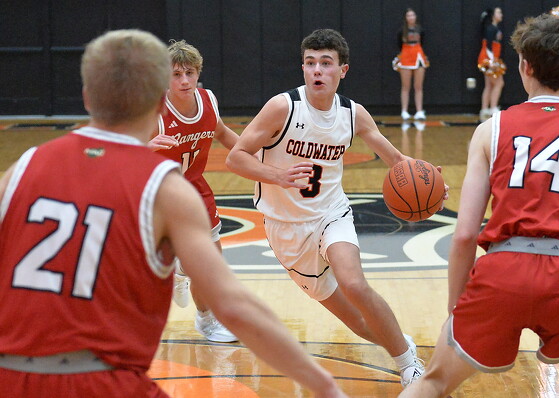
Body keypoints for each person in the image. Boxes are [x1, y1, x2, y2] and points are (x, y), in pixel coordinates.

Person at [0, 29, 349, 398]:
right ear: (158, 99)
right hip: (103, 377)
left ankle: (179, 270)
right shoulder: (160, 186)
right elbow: (233, 304)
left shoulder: (22, 168)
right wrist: (323, 384)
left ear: (87, 97)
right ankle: (177, 266)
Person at [227, 28, 440, 388]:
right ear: (303, 67)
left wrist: (431, 179)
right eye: (310, 63)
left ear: (343, 70)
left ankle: (410, 366)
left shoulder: (353, 114)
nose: (317, 71)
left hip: (331, 214)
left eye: (326, 63)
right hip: (286, 227)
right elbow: (236, 157)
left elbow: (396, 159)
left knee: (355, 284)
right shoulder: (282, 108)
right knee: (358, 323)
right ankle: (400, 342)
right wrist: (278, 176)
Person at [400, 14, 559, 398]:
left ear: (524, 66)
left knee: (435, 381)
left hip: (503, 271)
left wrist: (456, 307)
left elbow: (464, 235)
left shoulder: (490, 130)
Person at [148, 40, 238, 343]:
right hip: (160, 194)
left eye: (190, 73)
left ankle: (207, 319)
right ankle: (178, 268)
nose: (184, 81)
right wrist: (146, 146)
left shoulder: (208, 99)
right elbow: (120, 153)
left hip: (195, 188)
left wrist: (257, 155)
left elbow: (222, 133)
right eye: (176, 74)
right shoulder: (153, 109)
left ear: (198, 73)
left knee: (211, 260)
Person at [393, 8, 429, 121]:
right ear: (406, 18)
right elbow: (399, 44)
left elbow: (423, 42)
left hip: (419, 56)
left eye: (413, 15)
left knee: (418, 86)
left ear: (415, 17)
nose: (411, 17)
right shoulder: (401, 31)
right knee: (405, 87)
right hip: (406, 57)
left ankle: (419, 111)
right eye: (409, 15)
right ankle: (404, 111)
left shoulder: (420, 29)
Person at [478, 7, 506, 122]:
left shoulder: (493, 28)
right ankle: (493, 109)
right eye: (499, 12)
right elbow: (488, 46)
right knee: (499, 83)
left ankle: (484, 110)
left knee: (489, 85)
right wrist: (492, 62)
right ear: (493, 15)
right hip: (488, 59)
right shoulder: (491, 29)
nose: (501, 14)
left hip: (488, 59)